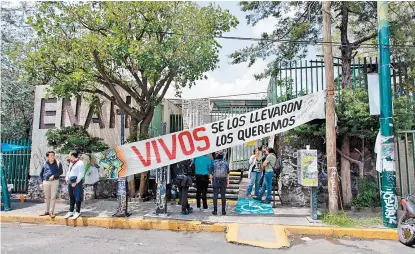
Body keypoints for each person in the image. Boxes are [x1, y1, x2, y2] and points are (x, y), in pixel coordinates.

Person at [38, 151, 63, 218]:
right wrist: (40, 182)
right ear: (48, 156)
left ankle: (51, 212)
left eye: (53, 155)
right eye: (51, 155)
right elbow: (40, 174)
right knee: (47, 197)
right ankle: (47, 211)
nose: (53, 156)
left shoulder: (58, 163)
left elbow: (61, 172)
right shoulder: (44, 163)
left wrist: (54, 176)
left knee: (53, 197)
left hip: (54, 181)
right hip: (46, 182)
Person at [64, 151, 85, 220]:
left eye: (69, 155)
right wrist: (67, 177)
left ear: (73, 155)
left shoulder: (80, 163)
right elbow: (69, 171)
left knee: (77, 196)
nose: (68, 156)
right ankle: (71, 210)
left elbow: (81, 174)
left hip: (77, 182)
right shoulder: (71, 162)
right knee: (71, 196)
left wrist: (76, 182)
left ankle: (77, 211)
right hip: (70, 181)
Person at [210, 151, 230, 216]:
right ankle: (223, 211)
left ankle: (215, 211)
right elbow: (227, 173)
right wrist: (228, 182)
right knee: (223, 196)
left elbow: (211, 173)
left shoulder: (213, 163)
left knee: (215, 196)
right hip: (223, 181)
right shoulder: (226, 163)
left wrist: (211, 181)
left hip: (216, 181)